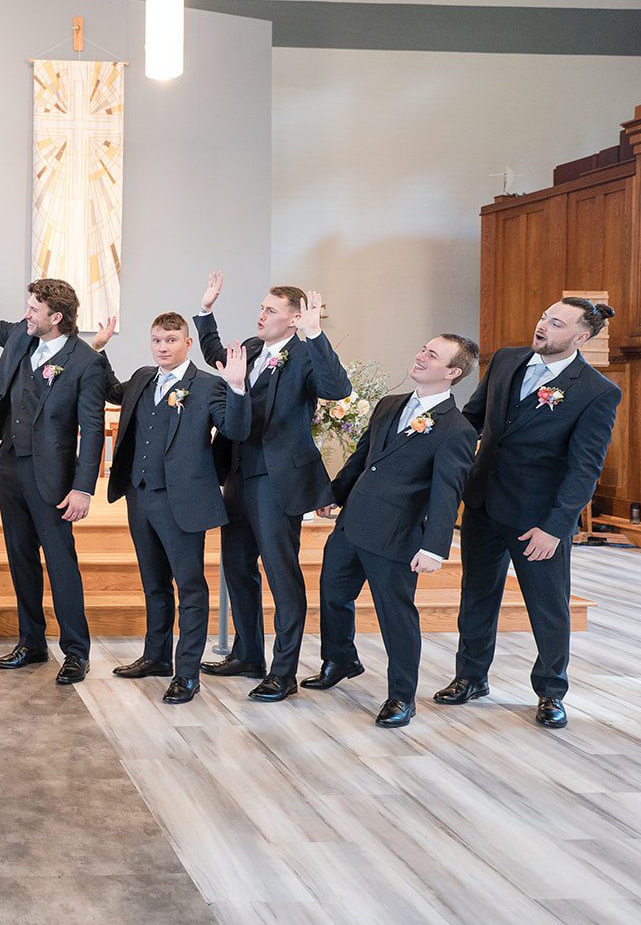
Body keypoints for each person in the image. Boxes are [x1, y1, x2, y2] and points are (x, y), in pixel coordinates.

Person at [434, 298, 620, 729]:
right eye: (542, 317)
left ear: (581, 337)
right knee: (477, 596)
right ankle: (470, 676)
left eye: (555, 324)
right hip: (483, 503)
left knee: (548, 606)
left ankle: (551, 690)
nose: (541, 326)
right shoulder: (507, 360)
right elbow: (472, 420)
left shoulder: (597, 391)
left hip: (538, 518)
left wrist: (556, 527)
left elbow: (585, 468)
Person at [0, 259, 109, 685]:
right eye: (28, 307)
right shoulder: (19, 336)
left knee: (61, 562)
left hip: (53, 476)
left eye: (34, 309)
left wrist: (83, 488)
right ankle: (31, 641)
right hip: (10, 465)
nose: (26, 314)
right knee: (20, 557)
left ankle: (76, 651)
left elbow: (93, 429)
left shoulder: (85, 362)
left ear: (57, 318)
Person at [304, 335, 479, 728]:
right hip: (352, 524)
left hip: (397, 535)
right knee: (333, 595)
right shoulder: (389, 405)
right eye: (422, 349)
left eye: (432, 355)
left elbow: (446, 493)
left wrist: (435, 547)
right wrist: (333, 494)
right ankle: (340, 660)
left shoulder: (457, 430)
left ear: (452, 372)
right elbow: (363, 457)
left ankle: (401, 696)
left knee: (395, 617)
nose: (420, 356)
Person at [193, 271, 351, 701]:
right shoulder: (251, 347)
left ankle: (284, 671)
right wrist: (206, 311)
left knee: (281, 574)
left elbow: (338, 388)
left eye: (270, 310)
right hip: (238, 473)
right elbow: (216, 355)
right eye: (261, 307)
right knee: (236, 566)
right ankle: (248, 653)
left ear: (296, 319)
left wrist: (317, 335)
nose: (260, 314)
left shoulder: (304, 355)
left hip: (279, 480)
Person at [91, 313, 249, 704]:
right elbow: (113, 391)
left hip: (183, 501)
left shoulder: (210, 386)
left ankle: (187, 673)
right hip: (140, 496)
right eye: (157, 340)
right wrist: (100, 348)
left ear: (188, 343)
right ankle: (156, 656)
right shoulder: (144, 378)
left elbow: (236, 430)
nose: (163, 347)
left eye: (171, 340)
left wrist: (238, 388)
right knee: (153, 582)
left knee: (190, 587)